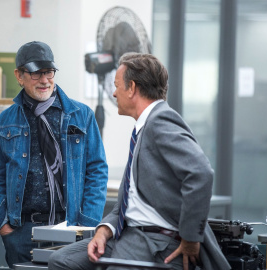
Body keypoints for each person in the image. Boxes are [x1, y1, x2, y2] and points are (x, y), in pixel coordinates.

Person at [48, 53, 230, 270]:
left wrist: (191, 238)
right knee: (60, 261)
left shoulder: (160, 121)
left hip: (153, 241)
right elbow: (129, 200)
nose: (114, 93)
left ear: (132, 88)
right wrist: (104, 230)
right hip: (129, 234)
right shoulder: (142, 128)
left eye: (117, 86)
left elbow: (201, 173)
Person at [0, 41, 108, 268]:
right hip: (22, 231)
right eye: (36, 74)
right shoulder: (6, 120)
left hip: (71, 226)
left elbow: (97, 171)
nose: (44, 80)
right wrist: (4, 225)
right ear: (19, 75)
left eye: (49, 72)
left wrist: (88, 223)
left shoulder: (81, 115)